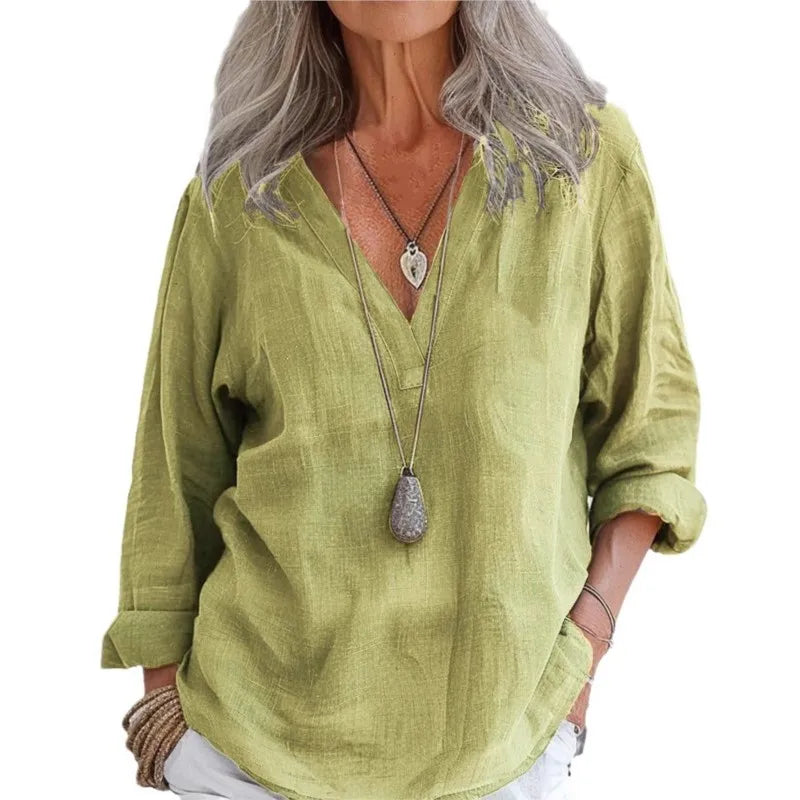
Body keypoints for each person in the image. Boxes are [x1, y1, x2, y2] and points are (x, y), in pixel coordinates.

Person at [100, 2, 708, 799]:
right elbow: (172, 471)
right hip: (251, 752)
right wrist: (168, 721)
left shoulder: (579, 165)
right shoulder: (240, 201)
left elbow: (650, 434)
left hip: (506, 747)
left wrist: (582, 652)